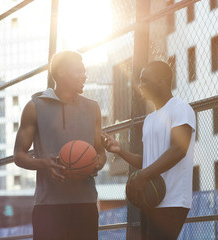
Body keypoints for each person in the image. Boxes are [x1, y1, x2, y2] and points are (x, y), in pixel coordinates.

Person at [13, 50, 106, 240]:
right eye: (79, 71)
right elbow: (18, 155)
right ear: (62, 72)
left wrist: (97, 163)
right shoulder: (35, 107)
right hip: (49, 206)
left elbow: (100, 152)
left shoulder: (93, 108)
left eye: (84, 71)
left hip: (85, 202)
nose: (84, 75)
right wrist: (43, 164)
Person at [102, 61, 196, 240]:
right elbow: (147, 162)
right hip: (151, 198)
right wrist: (120, 150)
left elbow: (179, 150)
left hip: (173, 199)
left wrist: (142, 176)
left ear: (161, 81)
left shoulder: (180, 108)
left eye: (144, 80)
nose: (140, 85)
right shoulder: (150, 119)